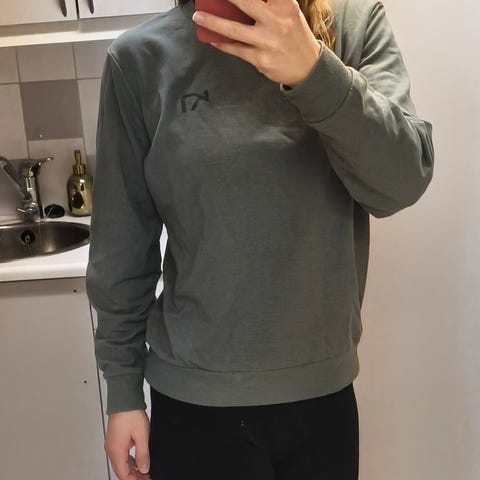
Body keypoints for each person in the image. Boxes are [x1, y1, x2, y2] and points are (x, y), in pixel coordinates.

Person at [86, 0, 434, 479]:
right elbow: (122, 245)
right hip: (194, 404)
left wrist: (313, 71)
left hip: (321, 398)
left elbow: (401, 182)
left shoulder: (352, 25)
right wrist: (123, 390)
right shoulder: (141, 58)